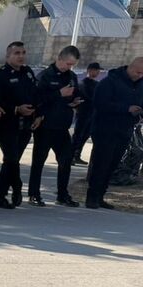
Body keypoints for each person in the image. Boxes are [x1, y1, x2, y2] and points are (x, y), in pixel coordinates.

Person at [28, 45, 82, 207]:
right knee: (39, 161)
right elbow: (37, 99)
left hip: (62, 127)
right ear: (59, 59)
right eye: (67, 63)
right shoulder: (45, 76)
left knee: (66, 161)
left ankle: (62, 194)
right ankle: (34, 194)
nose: (69, 67)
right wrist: (58, 94)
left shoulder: (71, 76)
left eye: (72, 65)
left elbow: (74, 93)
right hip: (45, 126)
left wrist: (74, 101)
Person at [86, 57, 143, 209]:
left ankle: (100, 196)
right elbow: (100, 103)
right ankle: (92, 196)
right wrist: (126, 109)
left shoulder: (140, 85)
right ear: (130, 68)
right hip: (105, 129)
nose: (140, 76)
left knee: (112, 165)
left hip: (124, 130)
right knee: (101, 164)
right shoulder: (110, 81)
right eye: (138, 72)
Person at [0, 41, 38, 209]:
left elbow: (35, 95)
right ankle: (14, 188)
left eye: (23, 52)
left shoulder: (28, 73)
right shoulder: (1, 75)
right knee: (11, 158)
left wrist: (37, 114)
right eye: (17, 53)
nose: (21, 56)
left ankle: (1, 197)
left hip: (24, 126)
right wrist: (16, 109)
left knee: (12, 161)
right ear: (8, 55)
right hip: (6, 125)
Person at [72, 62, 101, 165]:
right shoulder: (83, 83)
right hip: (83, 113)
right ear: (89, 70)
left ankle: (77, 155)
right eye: (96, 70)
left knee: (85, 136)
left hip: (92, 114)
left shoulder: (97, 84)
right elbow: (87, 98)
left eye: (98, 70)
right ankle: (70, 156)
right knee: (78, 135)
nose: (98, 72)